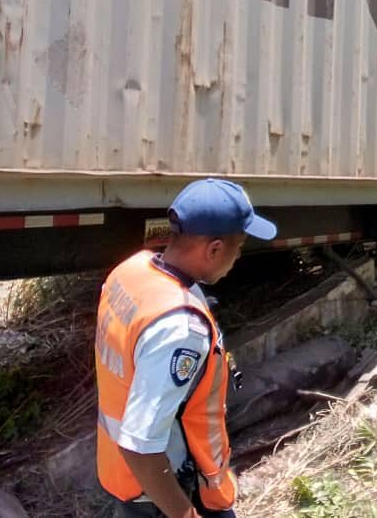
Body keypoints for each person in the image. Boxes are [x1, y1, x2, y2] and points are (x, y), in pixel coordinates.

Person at [95, 178, 277, 518]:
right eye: (238, 249)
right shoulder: (179, 329)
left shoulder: (132, 272)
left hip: (131, 482)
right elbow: (140, 444)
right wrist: (185, 514)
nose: (237, 258)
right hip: (169, 491)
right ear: (214, 249)